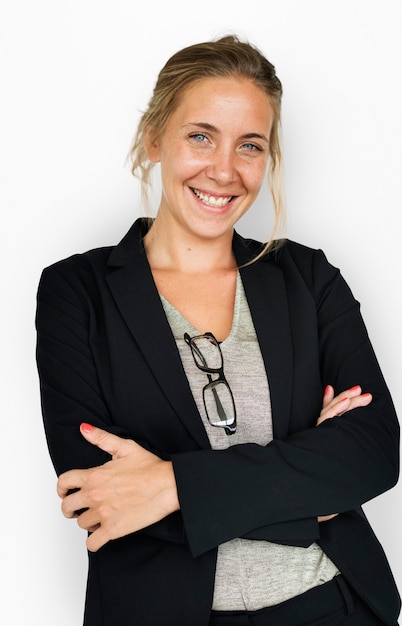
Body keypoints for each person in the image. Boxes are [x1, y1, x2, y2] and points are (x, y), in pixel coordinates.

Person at [36, 35, 400, 626]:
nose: (224, 170)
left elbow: (374, 452)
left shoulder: (307, 277)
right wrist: (310, 498)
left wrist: (171, 483)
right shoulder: (77, 292)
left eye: (250, 145)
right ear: (155, 138)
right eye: (200, 136)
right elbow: (100, 494)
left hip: (331, 605)